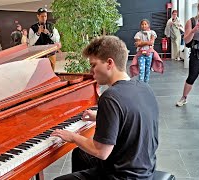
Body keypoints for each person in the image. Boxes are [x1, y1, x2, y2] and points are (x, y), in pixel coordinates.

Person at [52, 36, 159, 180]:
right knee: (80, 155)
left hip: (122, 176)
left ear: (109, 63)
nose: (91, 71)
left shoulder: (110, 96)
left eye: (94, 65)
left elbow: (101, 151)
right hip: (144, 169)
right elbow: (130, 118)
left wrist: (72, 136)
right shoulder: (144, 87)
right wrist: (99, 116)